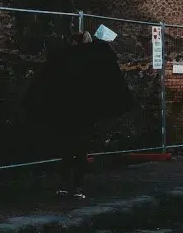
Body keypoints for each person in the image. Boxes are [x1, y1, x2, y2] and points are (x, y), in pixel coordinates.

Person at [29, 30, 131, 198]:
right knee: (80, 151)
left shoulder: (62, 58)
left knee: (66, 151)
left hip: (65, 114)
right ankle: (76, 187)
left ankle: (64, 184)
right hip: (84, 115)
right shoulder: (91, 61)